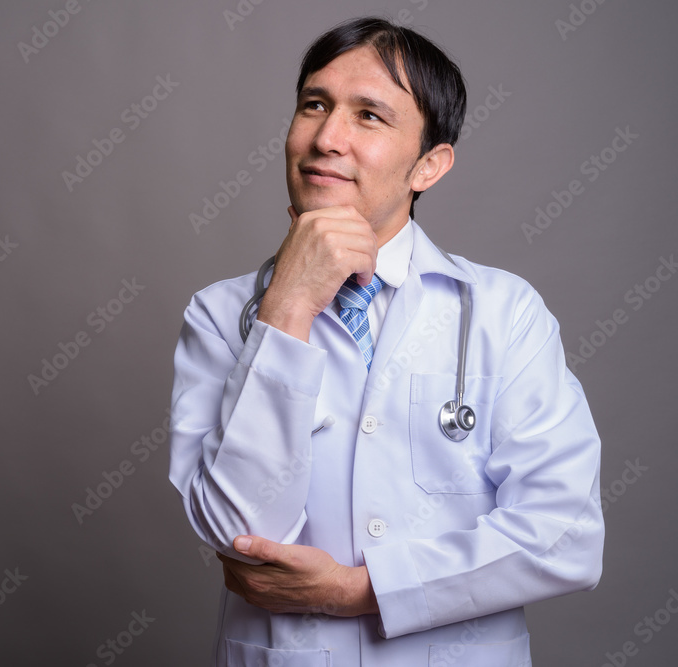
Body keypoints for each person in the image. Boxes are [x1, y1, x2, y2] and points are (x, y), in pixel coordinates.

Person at [168, 16, 603, 666]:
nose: (326, 137)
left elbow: (565, 535)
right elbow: (240, 533)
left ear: (429, 163)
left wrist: (361, 590)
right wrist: (287, 305)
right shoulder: (221, 313)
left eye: (369, 116)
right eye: (314, 105)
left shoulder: (503, 313)